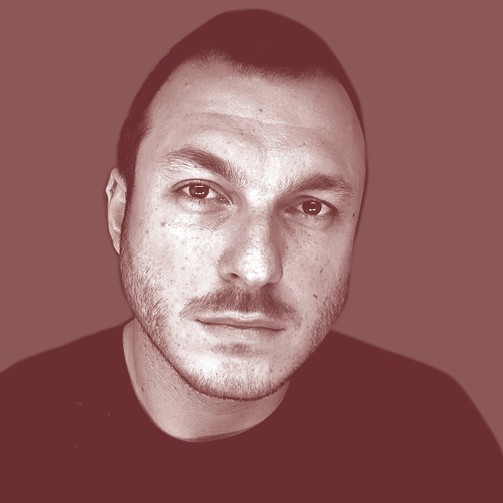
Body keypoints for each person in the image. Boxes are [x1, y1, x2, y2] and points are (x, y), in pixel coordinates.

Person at [1, 9, 502, 501]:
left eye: (311, 206)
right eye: (200, 191)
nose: (257, 266)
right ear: (119, 213)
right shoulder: (13, 434)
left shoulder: (436, 441)